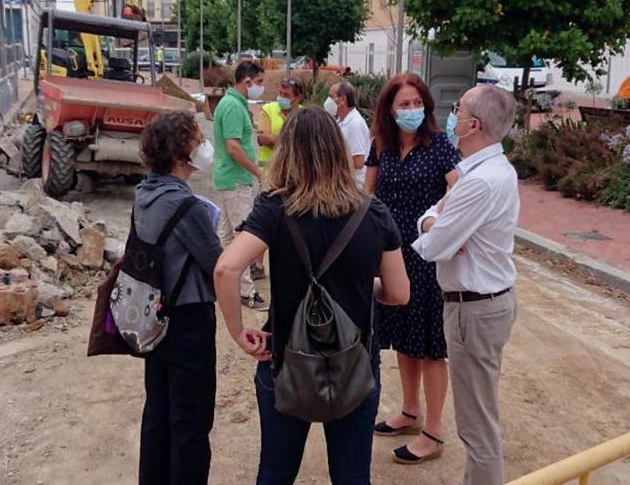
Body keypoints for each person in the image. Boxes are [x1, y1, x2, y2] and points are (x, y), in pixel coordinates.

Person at [214, 107, 410, 484]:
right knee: (352, 475)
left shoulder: (274, 209)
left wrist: (239, 333)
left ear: (287, 151)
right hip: (355, 364)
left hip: (286, 360)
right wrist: (361, 286)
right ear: (338, 151)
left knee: (275, 471)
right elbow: (399, 293)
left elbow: (226, 268)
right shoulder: (374, 213)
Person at [413, 85, 520, 485]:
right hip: (484, 304)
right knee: (480, 416)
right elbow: (437, 227)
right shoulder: (488, 170)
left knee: (477, 425)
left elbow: (431, 246)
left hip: (473, 310)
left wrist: (433, 224)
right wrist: (435, 221)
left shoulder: (478, 181)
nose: (452, 114)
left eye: (458, 109)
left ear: (473, 124)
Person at [365, 73, 460, 465]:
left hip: (427, 258)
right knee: (403, 338)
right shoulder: (381, 145)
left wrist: (439, 219)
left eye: (416, 103)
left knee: (431, 346)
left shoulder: (439, 146)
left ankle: (434, 430)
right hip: (390, 254)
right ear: (390, 108)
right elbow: (367, 195)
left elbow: (459, 190)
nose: (411, 111)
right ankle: (408, 410)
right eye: (403, 104)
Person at [134, 111, 223, 485]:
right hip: (189, 320)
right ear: (179, 154)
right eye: (197, 140)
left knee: (158, 412)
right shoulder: (187, 207)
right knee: (190, 420)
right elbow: (217, 265)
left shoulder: (144, 194)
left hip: (153, 315)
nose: (203, 147)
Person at [212, 61, 268, 311]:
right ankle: (246, 291)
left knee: (226, 237)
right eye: (260, 82)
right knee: (244, 237)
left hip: (230, 179)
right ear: (247, 81)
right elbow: (234, 146)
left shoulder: (233, 103)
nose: (261, 88)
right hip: (236, 181)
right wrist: (257, 172)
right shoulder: (233, 106)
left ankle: (224, 282)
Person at [252, 77, 304, 281]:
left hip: (296, 176)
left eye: (286, 95)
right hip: (270, 176)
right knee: (265, 218)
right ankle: (257, 264)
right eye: (281, 93)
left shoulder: (303, 113)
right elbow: (262, 138)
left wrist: (277, 139)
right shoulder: (269, 109)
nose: (281, 97)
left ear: (298, 97)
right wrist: (290, 140)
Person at [325, 82, 370, 189]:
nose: (328, 101)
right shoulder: (340, 120)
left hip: (355, 187)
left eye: (331, 97)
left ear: (343, 99)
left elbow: (358, 162)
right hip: (344, 184)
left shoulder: (355, 124)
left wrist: (331, 161)